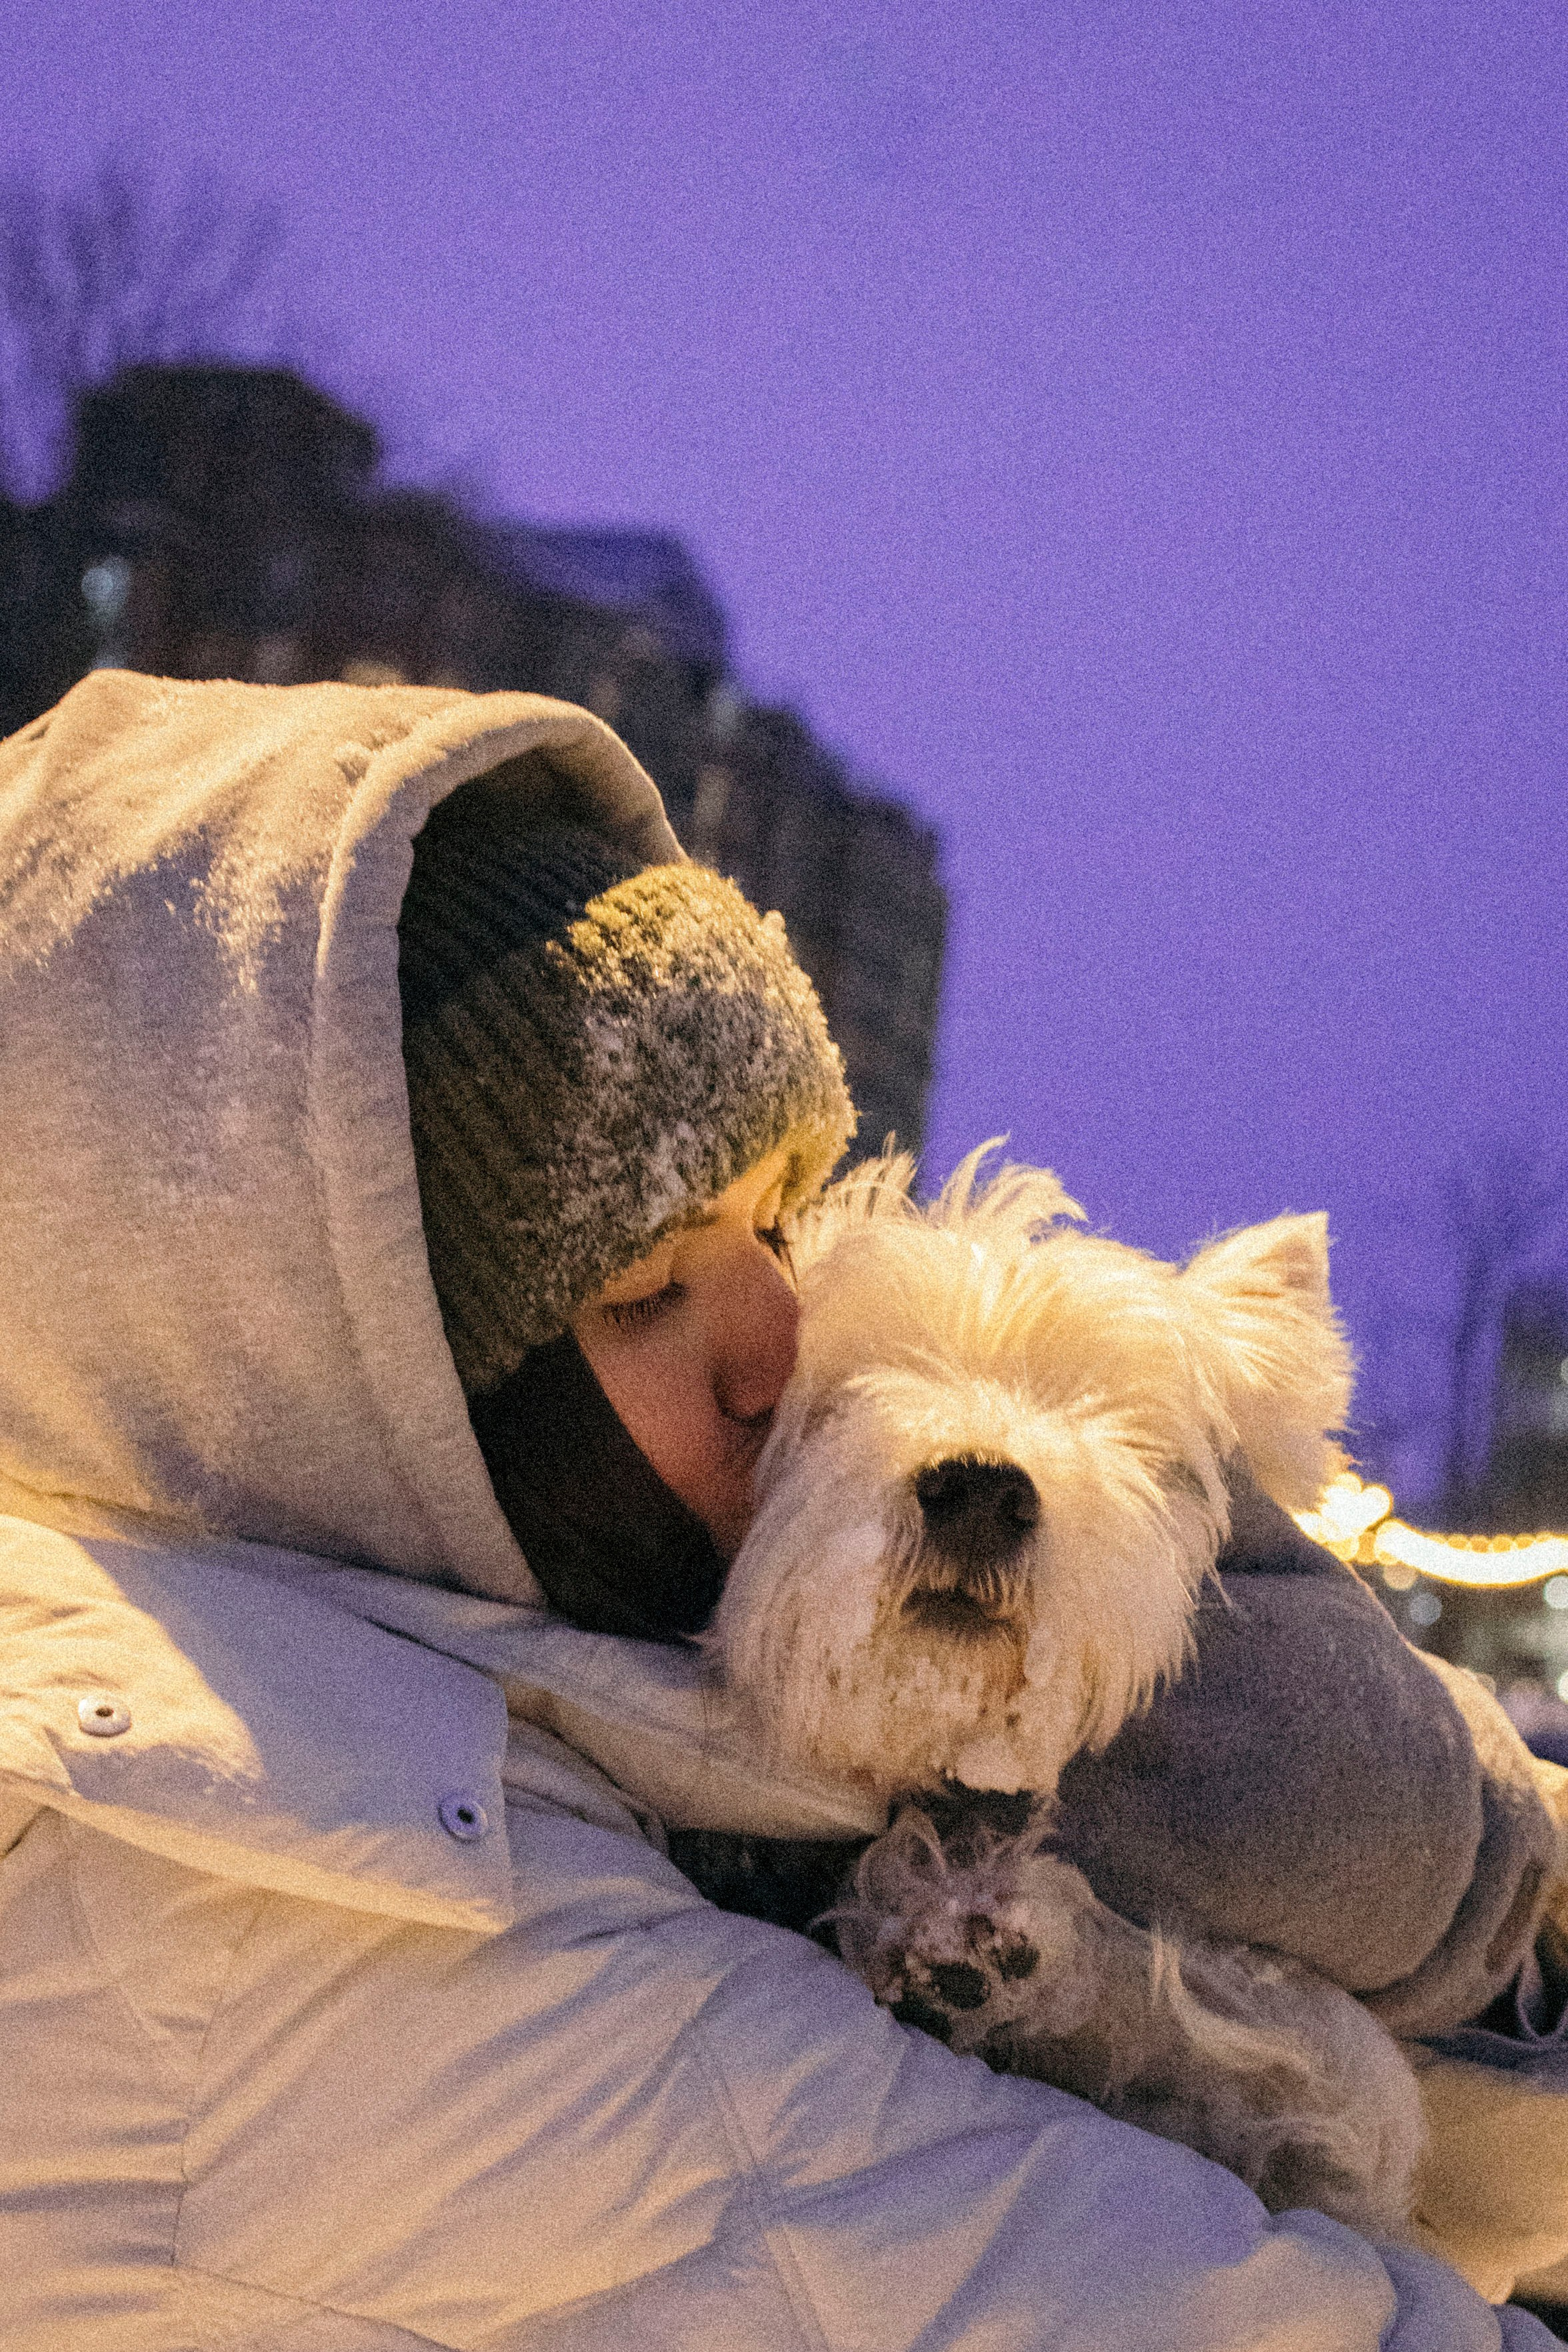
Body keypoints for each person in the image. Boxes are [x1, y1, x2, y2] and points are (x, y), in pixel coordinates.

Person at [0, 666, 1555, 2349]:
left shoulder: (443, 1712)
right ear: (349, 1397)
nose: (784, 1348)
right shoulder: (366, 1935)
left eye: (778, 1222)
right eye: (652, 1291)